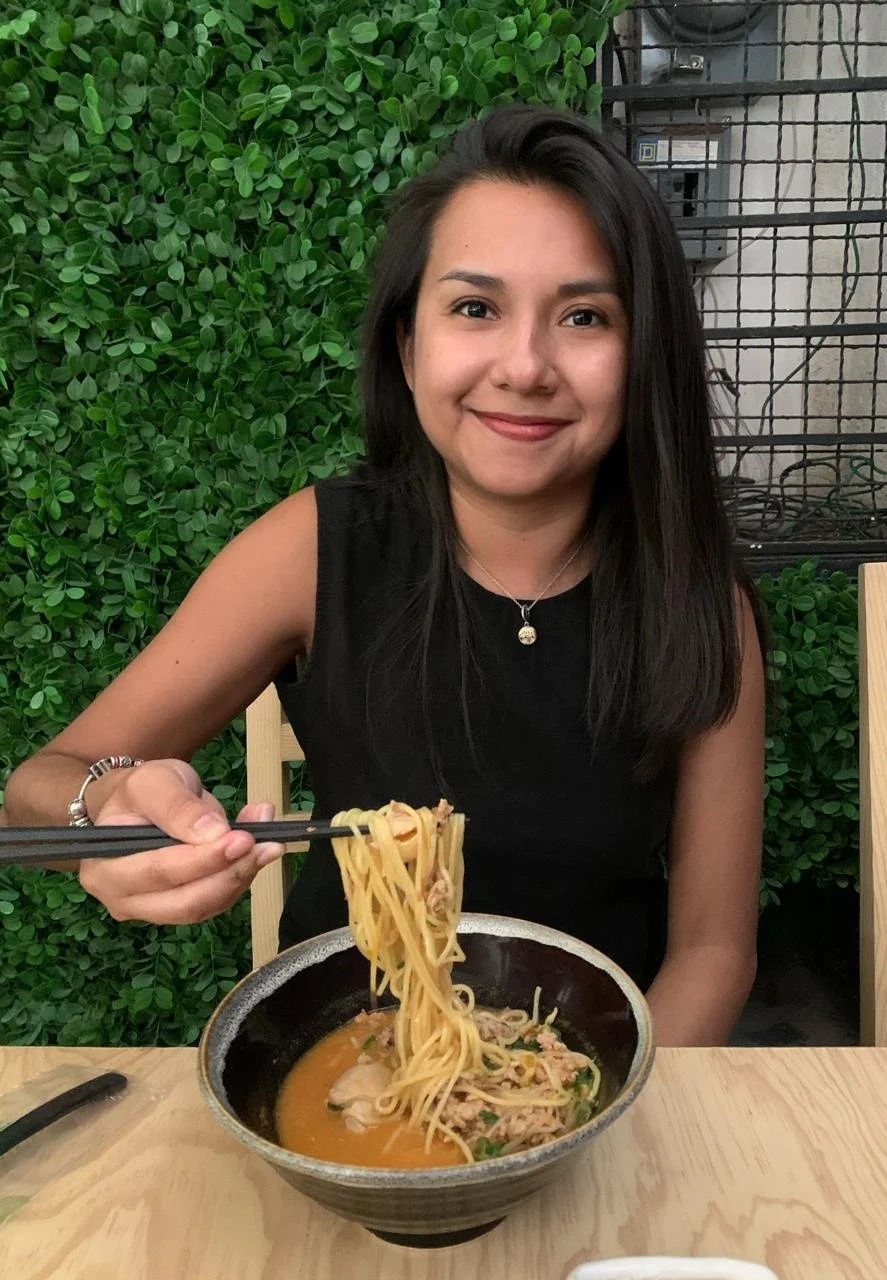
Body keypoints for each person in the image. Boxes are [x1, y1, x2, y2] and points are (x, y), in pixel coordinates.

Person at [3, 103, 766, 1046]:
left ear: (642, 354)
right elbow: (41, 782)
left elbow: (714, 951)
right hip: (338, 1057)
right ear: (410, 348)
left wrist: (599, 1120)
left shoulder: (699, 602)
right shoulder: (314, 547)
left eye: (584, 316)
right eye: (475, 308)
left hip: (598, 1070)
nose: (525, 366)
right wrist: (106, 806)